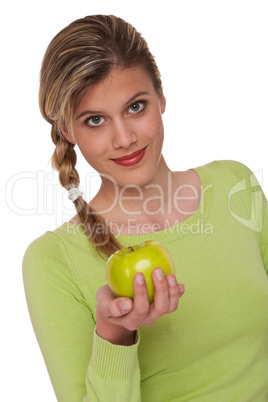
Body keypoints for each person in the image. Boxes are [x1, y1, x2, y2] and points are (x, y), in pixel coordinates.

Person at [23, 14, 268, 402]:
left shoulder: (234, 185)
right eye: (96, 120)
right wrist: (114, 334)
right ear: (68, 131)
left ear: (161, 97)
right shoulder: (53, 260)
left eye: (136, 107)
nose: (124, 138)